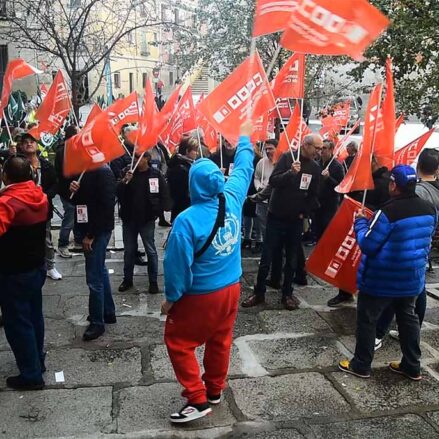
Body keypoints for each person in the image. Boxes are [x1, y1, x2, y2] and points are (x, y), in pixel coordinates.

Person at [162, 121, 254, 423]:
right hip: (231, 288)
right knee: (220, 339)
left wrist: (172, 298)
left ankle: (197, 399)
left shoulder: (186, 221)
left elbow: (176, 267)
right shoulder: (233, 197)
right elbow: (244, 166)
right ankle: (215, 388)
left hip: (201, 294)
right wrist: (244, 135)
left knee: (178, 341)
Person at [339, 165, 436, 381]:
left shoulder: (387, 212)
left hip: (380, 280)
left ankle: (361, 364)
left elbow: (368, 245)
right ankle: (412, 365)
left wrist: (361, 223)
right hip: (411, 278)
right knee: (408, 319)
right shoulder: (429, 209)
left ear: (394, 185)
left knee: (367, 320)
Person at [242, 134, 323, 311]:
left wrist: (304, 213)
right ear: (305, 145)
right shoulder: (287, 158)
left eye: (321, 149)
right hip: (276, 216)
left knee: (292, 258)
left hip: (295, 220)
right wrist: (291, 173)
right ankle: (259, 292)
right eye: (316, 148)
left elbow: (314, 195)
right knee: (267, 256)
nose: (319, 152)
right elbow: (274, 181)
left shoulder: (315, 168)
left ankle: (287, 293)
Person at [375, 149, 439, 348]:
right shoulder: (436, 190)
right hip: (423, 246)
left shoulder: (418, 192)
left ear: (418, 165)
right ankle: (411, 332)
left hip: (405, 247)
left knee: (396, 293)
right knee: (416, 290)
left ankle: (378, 334)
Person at [0, 156, 48, 390]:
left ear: (5, 176)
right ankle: (37, 360)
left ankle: (31, 374)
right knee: (34, 316)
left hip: (13, 271)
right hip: (35, 267)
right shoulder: (40, 195)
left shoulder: (7, 203)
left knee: (18, 323)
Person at [327, 156, 390, 307]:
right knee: (347, 257)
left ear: (374, 163)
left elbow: (385, 207)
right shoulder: (362, 178)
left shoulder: (384, 182)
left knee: (364, 261)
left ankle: (368, 294)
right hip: (355, 223)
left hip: (372, 228)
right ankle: (345, 292)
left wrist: (366, 209)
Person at [70, 164, 117, 341]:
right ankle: (108, 311)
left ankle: (97, 322)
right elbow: (77, 201)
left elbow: (105, 207)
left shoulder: (103, 172)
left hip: (96, 231)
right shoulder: (83, 170)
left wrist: (91, 235)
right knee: (100, 270)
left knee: (94, 278)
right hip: (86, 227)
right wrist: (73, 189)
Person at [117, 151, 171, 293]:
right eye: (134, 157)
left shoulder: (155, 174)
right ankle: (127, 279)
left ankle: (153, 281)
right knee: (129, 251)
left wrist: (159, 210)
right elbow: (117, 192)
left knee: (151, 250)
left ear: (146, 159)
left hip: (147, 219)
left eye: (138, 157)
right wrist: (124, 182)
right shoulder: (126, 172)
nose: (135, 160)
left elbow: (163, 193)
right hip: (129, 218)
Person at [18, 132, 61, 280]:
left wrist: (46, 195)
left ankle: (50, 266)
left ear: (37, 145)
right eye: (25, 142)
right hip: (24, 210)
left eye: (32, 141)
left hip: (43, 208)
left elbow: (56, 184)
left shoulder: (46, 165)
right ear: (21, 147)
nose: (29, 144)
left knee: (46, 239)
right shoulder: (18, 165)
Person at [55, 125, 82, 257]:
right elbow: (64, 172)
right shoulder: (63, 151)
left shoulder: (77, 148)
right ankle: (62, 244)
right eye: (79, 131)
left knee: (79, 215)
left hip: (78, 191)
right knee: (70, 217)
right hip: (67, 191)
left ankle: (78, 239)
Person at [315, 139, 344, 240]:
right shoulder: (316, 164)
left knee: (326, 232)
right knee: (317, 231)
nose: (321, 151)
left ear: (331, 149)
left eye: (324, 148)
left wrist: (328, 178)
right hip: (317, 204)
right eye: (320, 148)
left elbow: (340, 187)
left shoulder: (337, 167)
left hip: (329, 205)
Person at [167, 137, 198, 222]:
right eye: (195, 150)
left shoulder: (189, 164)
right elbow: (180, 192)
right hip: (182, 209)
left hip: (185, 208)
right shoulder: (180, 168)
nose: (197, 153)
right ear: (187, 151)